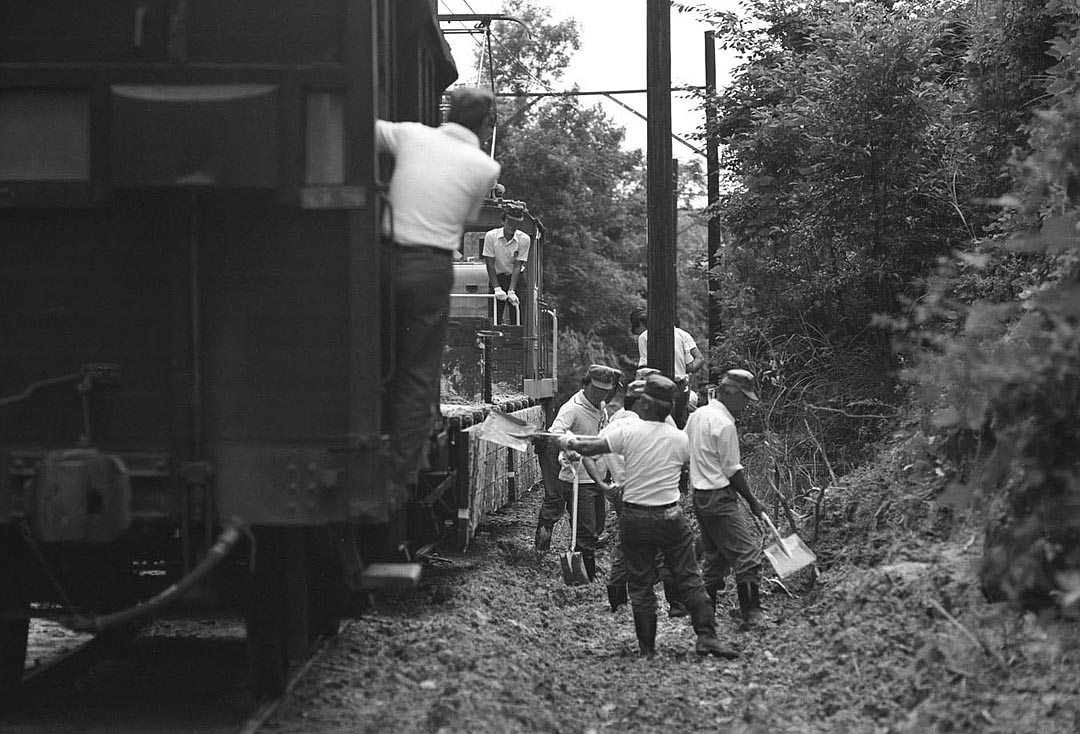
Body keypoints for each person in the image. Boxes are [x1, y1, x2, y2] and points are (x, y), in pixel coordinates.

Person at [376, 87, 500, 503]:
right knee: (417, 370)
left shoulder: (410, 134)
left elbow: (360, 128)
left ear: (449, 112)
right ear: (485, 125)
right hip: (429, 268)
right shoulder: (485, 167)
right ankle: (397, 478)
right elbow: (466, 218)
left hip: (379, 260)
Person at [559, 375, 738, 659]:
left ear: (643, 404)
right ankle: (706, 637)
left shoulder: (626, 432)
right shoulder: (679, 438)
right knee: (689, 578)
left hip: (635, 517)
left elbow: (588, 448)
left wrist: (567, 439)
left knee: (640, 585)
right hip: (671, 516)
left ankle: (647, 649)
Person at [685, 369, 767, 630]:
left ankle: (704, 620)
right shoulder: (725, 424)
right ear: (730, 393)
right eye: (744, 398)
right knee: (747, 555)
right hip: (719, 498)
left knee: (715, 560)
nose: (745, 405)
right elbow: (732, 470)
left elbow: (685, 449)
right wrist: (753, 501)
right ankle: (752, 616)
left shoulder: (698, 416)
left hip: (700, 497)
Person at [533, 364, 618, 582]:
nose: (601, 394)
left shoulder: (600, 407)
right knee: (585, 530)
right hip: (577, 477)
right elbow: (555, 433)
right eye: (597, 389)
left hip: (596, 474)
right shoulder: (572, 408)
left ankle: (586, 557)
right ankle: (584, 578)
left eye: (606, 390)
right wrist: (568, 449)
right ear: (586, 385)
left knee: (597, 525)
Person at [628, 307, 705, 429]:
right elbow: (695, 362)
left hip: (660, 386)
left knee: (659, 424)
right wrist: (681, 370)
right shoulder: (682, 334)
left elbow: (644, 367)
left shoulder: (645, 336)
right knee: (679, 424)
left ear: (642, 323)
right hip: (682, 386)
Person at [482, 202, 531, 324]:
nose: (512, 227)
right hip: (497, 278)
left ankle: (517, 341)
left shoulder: (524, 239)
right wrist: (497, 288)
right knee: (494, 318)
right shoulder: (491, 237)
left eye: (516, 223)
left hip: (516, 280)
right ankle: (491, 341)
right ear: (503, 221)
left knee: (518, 317)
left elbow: (518, 265)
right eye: (509, 222)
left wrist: (512, 290)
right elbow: (489, 263)